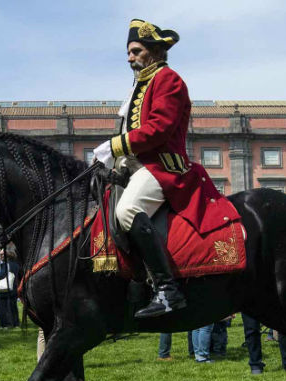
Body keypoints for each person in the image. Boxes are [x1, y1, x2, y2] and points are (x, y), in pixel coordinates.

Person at [91, 19, 237, 319]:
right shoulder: (141, 86)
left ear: (154, 51)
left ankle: (167, 290)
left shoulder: (168, 80)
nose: (129, 58)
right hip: (139, 168)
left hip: (164, 168)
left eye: (136, 51)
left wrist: (114, 146)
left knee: (126, 210)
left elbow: (159, 129)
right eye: (129, 52)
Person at [0, 248, 20, 328]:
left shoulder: (3, 265)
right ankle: (16, 324)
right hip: (13, 288)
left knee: (2, 307)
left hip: (3, 289)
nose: (0, 256)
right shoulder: (15, 264)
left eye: (2, 254)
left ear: (7, 255)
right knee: (13, 307)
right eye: (0, 254)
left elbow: (0, 275)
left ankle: (5, 324)